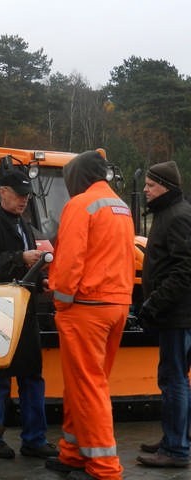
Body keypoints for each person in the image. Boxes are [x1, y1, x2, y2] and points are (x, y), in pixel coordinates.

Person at [45, 150, 134, 480]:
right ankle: (73, 451)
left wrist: (60, 299)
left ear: (77, 178)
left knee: (88, 386)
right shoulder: (120, 207)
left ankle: (105, 468)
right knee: (86, 384)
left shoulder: (80, 205)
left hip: (86, 310)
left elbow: (69, 261)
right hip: (117, 306)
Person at [0, 168, 58, 460]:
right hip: (0, 314)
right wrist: (19, 258)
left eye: (27, 196)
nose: (23, 201)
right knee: (0, 380)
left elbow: (21, 268)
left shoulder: (24, 226)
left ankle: (35, 439)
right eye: (19, 195)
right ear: (3, 192)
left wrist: (38, 280)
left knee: (32, 376)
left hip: (24, 313)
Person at [135, 160, 191, 468]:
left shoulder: (177, 217)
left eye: (150, 185)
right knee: (176, 378)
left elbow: (184, 269)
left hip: (177, 316)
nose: (145, 190)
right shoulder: (170, 214)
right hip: (176, 315)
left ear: (165, 187)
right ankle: (175, 438)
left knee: (174, 380)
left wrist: (153, 304)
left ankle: (176, 449)